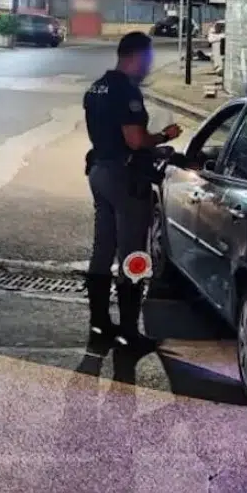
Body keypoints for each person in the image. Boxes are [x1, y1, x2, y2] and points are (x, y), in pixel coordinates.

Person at [83, 31, 182, 355]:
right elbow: (136, 140)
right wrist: (163, 136)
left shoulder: (97, 87)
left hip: (98, 171)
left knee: (102, 249)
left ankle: (99, 328)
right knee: (133, 255)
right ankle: (128, 333)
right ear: (137, 57)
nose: (149, 66)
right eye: (148, 59)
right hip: (124, 177)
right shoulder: (126, 91)